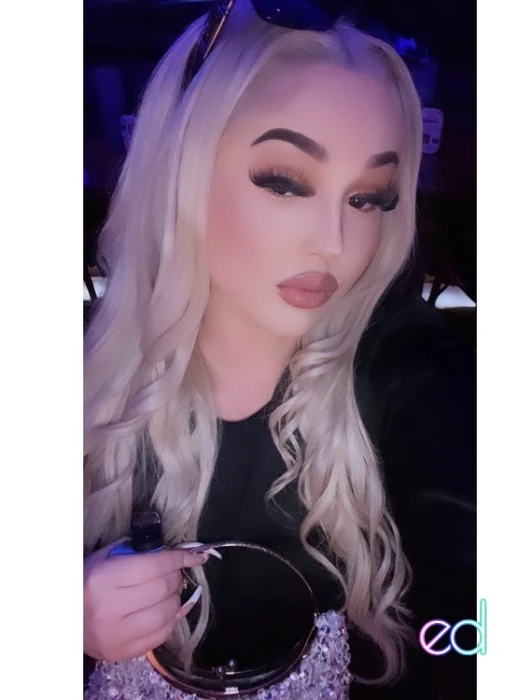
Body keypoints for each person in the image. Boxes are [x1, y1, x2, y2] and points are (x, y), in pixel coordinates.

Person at [83, 1, 476, 697]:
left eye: (368, 198)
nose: (333, 241)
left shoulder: (405, 375)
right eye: (285, 182)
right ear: (181, 171)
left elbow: (482, 611)